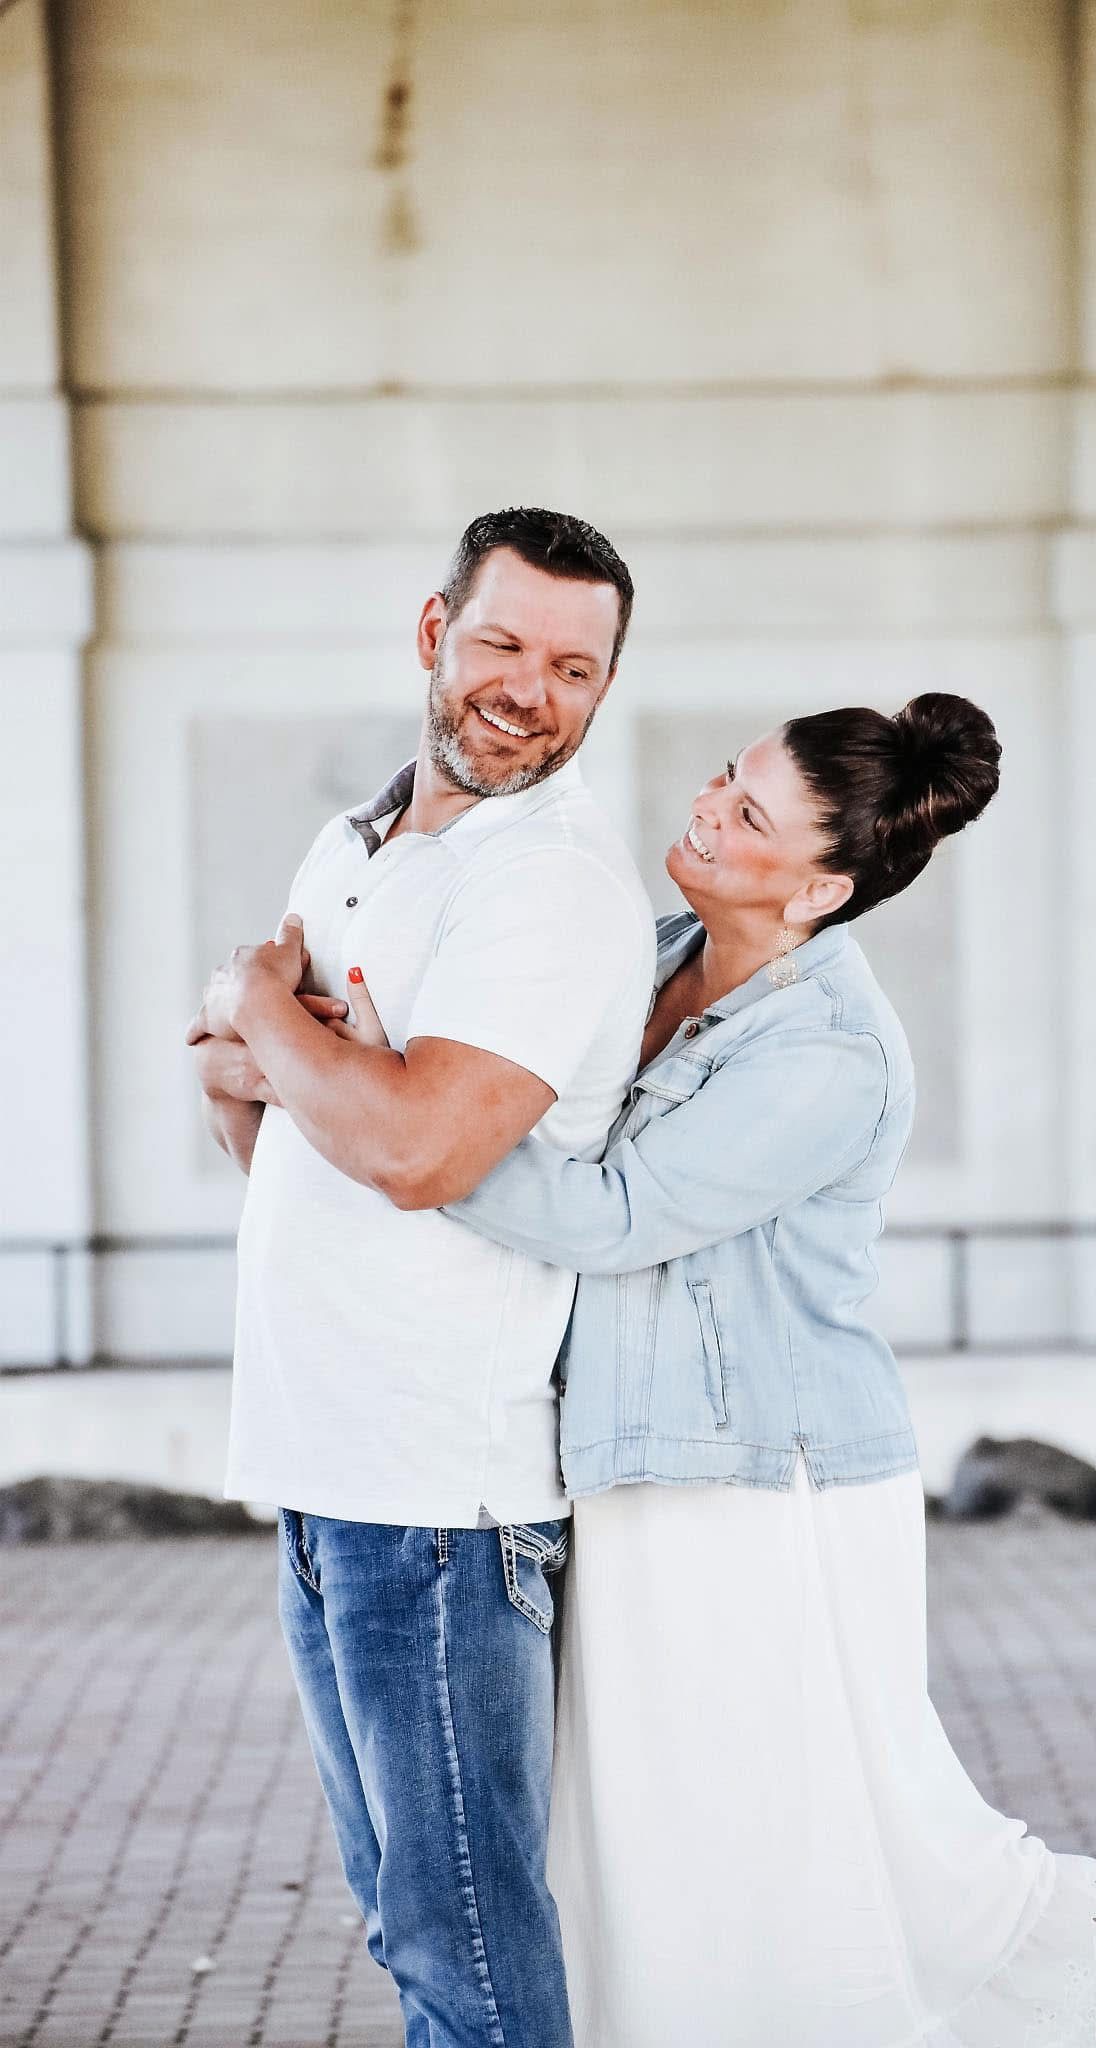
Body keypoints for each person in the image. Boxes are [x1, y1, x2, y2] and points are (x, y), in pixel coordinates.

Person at [337, 693, 1096, 2044]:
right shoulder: (653, 961)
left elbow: (611, 1218)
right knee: (741, 1851)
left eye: (748, 814)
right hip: (636, 1468)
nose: (706, 805)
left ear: (820, 886)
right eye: (724, 777)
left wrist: (408, 1124)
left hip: (767, 1487)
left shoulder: (824, 1048)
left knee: (803, 1861)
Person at [186, 507, 657, 2048]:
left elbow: (413, 1157)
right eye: (504, 643)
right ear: (431, 634)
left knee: (464, 1953)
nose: (530, 690)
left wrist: (272, 1013)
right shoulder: (356, 846)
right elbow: (297, 1152)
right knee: (408, 1926)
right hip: (325, 1477)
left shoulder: (549, 888)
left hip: (439, 1507)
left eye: (574, 668)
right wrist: (262, 1059)